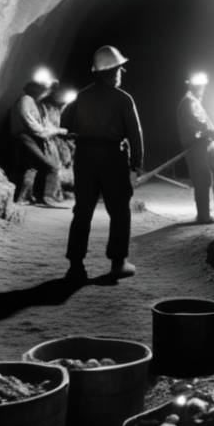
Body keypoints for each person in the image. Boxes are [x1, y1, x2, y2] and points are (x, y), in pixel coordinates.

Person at [63, 45, 143, 282]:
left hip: (85, 157)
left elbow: (65, 123)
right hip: (112, 158)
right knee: (119, 212)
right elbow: (135, 134)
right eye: (119, 69)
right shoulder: (123, 99)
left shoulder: (82, 96)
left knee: (82, 211)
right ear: (115, 71)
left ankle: (75, 266)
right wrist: (136, 165)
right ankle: (118, 264)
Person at [177, 72, 214, 224]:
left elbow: (207, 127)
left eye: (202, 86)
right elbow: (202, 129)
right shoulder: (188, 102)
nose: (202, 88)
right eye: (199, 86)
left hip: (207, 143)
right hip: (196, 146)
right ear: (192, 85)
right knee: (203, 180)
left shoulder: (195, 101)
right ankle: (204, 216)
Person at [10, 69, 68, 207]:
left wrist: (57, 131)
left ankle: (26, 197)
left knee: (30, 167)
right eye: (45, 89)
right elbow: (30, 123)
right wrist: (52, 132)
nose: (47, 92)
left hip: (30, 137)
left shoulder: (36, 103)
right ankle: (41, 197)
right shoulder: (26, 100)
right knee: (47, 166)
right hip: (25, 137)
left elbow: (43, 125)